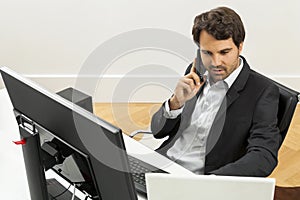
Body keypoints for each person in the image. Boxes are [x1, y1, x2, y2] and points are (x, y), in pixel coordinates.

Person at [150, 6, 280, 176]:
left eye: (224, 52)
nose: (215, 62)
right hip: (161, 166)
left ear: (240, 47)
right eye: (207, 52)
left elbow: (263, 156)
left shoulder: (262, 91)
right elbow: (158, 131)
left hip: (202, 179)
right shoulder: (195, 72)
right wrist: (176, 103)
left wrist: (213, 182)